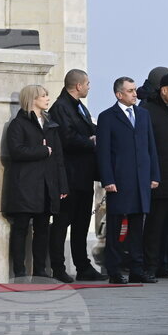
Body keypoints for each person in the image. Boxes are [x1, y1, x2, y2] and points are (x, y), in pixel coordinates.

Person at [96, 77, 160, 284]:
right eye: (130, 91)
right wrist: (107, 179)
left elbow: (151, 148)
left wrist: (154, 175)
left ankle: (136, 269)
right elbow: (103, 152)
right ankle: (114, 270)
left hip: (141, 180)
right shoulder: (107, 117)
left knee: (136, 227)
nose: (135, 94)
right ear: (119, 94)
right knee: (115, 228)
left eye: (134, 90)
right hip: (119, 181)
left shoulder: (143, 115)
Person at [4, 84, 67, 280]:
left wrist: (62, 185)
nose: (47, 98)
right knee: (21, 227)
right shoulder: (18, 124)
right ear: (32, 99)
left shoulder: (51, 124)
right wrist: (42, 151)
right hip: (25, 184)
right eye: (43, 96)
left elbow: (58, 158)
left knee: (42, 228)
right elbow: (16, 151)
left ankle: (40, 270)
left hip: (46, 185)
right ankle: (20, 270)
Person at [48, 69, 106, 282]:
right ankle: (58, 267)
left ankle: (83, 265)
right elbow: (67, 138)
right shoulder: (61, 107)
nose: (90, 87)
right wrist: (90, 142)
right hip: (69, 176)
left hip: (83, 174)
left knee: (82, 222)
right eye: (88, 83)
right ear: (79, 85)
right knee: (63, 222)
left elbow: (89, 127)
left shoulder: (78, 106)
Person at [142, 73, 168, 278]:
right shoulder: (147, 111)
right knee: (155, 226)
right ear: (164, 90)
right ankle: (150, 266)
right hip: (158, 179)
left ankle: (165, 264)